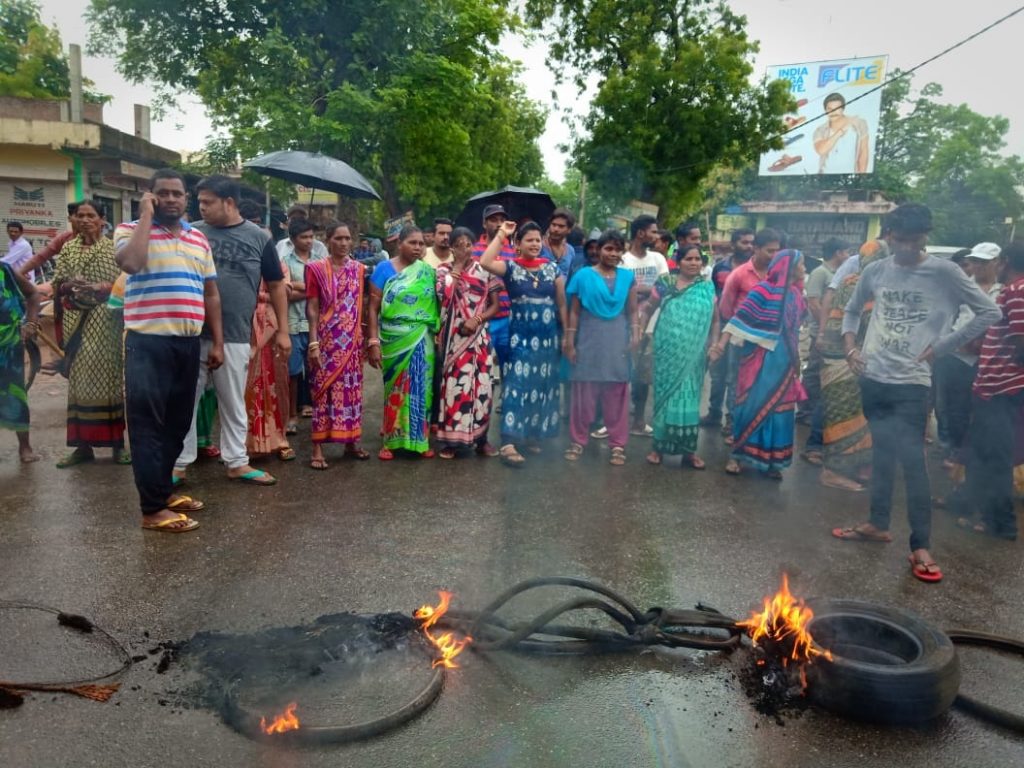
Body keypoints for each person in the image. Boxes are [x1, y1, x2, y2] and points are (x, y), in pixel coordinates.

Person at [833, 203, 1001, 583]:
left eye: (917, 240)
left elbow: (989, 312)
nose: (908, 248)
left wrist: (941, 347)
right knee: (880, 452)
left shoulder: (945, 271)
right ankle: (877, 524)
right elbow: (852, 311)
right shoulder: (876, 269)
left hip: (912, 382)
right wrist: (850, 348)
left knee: (913, 463)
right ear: (889, 235)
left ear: (926, 236)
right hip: (873, 376)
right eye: (901, 240)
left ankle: (920, 545)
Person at [115, 168, 223, 533]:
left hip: (187, 342)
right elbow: (130, 263)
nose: (172, 199)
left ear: (186, 198)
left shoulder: (198, 240)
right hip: (147, 342)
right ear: (151, 196)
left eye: (178, 193)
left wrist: (218, 341)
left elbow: (210, 292)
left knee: (177, 424)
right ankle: (151, 510)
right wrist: (145, 215)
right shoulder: (130, 231)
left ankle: (162, 492)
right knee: (148, 426)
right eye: (163, 193)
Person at [175, 175, 290, 487]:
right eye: (199, 202)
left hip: (237, 334)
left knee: (233, 400)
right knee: (186, 400)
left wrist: (282, 330)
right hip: (190, 332)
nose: (201, 207)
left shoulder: (259, 237)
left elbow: (277, 284)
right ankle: (178, 464)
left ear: (229, 202)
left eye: (207, 202)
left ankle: (237, 462)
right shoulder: (191, 233)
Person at [710, 248, 807, 479]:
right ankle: (737, 456)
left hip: (784, 362)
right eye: (802, 264)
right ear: (789, 267)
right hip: (758, 360)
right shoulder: (763, 290)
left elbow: (794, 329)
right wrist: (720, 346)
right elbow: (738, 319)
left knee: (780, 410)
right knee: (750, 405)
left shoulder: (795, 295)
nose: (805, 269)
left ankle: (773, 461)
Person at [479, 219, 567, 466]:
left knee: (540, 387)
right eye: (529, 240)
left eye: (538, 240)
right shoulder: (510, 267)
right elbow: (485, 262)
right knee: (517, 385)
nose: (535, 244)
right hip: (520, 338)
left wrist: (567, 336)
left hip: (548, 338)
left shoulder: (552, 269)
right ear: (518, 244)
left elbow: (561, 303)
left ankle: (530, 436)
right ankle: (508, 442)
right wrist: (501, 235)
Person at [51, 201, 128, 468]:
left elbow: (125, 282)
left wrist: (104, 286)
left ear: (102, 219)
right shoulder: (68, 248)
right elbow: (57, 283)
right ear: (72, 218)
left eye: (90, 215)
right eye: (79, 215)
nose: (84, 220)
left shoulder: (114, 248)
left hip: (107, 320)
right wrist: (70, 285)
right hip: (77, 322)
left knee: (109, 381)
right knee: (78, 383)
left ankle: (118, 446)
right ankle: (82, 447)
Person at [959, 241, 1024, 540]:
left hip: (1003, 388)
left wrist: (1006, 372)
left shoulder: (1017, 291)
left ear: (1005, 262)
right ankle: (981, 511)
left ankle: (1002, 524)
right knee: (983, 453)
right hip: (995, 387)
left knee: (996, 458)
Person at [816, 238, 887, 492]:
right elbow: (857, 323)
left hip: (852, 361)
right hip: (842, 361)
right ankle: (831, 472)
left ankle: (856, 467)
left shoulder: (860, 283)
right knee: (841, 419)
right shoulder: (859, 285)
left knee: (858, 419)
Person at [563, 229, 637, 465]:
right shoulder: (583, 276)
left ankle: (617, 444)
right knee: (584, 392)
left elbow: (633, 310)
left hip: (617, 339)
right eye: (608, 248)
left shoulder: (627, 277)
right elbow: (574, 311)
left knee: (616, 392)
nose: (613, 254)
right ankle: (577, 440)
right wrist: (570, 341)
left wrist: (635, 334)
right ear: (599, 250)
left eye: (618, 249)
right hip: (589, 339)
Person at [642, 243, 718, 469]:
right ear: (679, 261)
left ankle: (689, 452)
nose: (694, 263)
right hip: (667, 349)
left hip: (694, 352)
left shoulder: (706, 287)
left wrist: (714, 344)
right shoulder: (665, 283)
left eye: (697, 259)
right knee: (664, 396)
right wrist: (639, 333)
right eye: (689, 259)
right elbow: (648, 308)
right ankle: (658, 449)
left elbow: (715, 320)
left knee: (691, 398)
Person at [367, 225, 439, 459]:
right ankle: (390, 441)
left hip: (422, 337)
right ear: (400, 243)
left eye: (421, 243)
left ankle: (420, 440)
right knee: (394, 388)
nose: (418, 247)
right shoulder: (383, 269)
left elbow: (435, 306)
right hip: (393, 337)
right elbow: (373, 307)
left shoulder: (428, 272)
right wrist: (373, 341)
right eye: (413, 243)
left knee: (421, 387)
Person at [306, 221, 370, 468]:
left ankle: (351, 441)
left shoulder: (359, 269)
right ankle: (317, 448)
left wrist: (365, 338)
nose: (343, 243)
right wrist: (313, 342)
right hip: (326, 339)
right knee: (323, 389)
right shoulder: (316, 269)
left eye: (347, 239)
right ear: (328, 240)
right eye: (338, 239)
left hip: (352, 340)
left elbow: (360, 305)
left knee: (351, 391)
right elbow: (312, 307)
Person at [935, 242, 1003, 473]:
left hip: (988, 358)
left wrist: (980, 343)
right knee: (951, 407)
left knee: (981, 409)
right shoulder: (960, 287)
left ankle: (974, 454)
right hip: (955, 355)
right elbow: (945, 318)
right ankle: (954, 451)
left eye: (983, 262)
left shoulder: (1004, 290)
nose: (977, 266)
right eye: (975, 261)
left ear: (997, 263)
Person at [435, 226, 501, 458]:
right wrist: (458, 267)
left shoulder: (485, 269)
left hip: (479, 336)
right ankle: (451, 441)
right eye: (460, 244)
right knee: (454, 386)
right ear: (451, 247)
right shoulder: (443, 271)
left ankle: (481, 439)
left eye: (469, 244)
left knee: (482, 386)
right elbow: (443, 297)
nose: (465, 248)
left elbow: (496, 305)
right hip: (454, 337)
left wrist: (477, 319)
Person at [717, 229, 782, 443]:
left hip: (770, 341)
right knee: (736, 381)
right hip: (741, 338)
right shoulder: (739, 274)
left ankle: (755, 425)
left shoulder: (782, 275)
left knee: (764, 383)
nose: (774, 255)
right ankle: (734, 422)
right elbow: (726, 308)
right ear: (756, 249)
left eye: (777, 251)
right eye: (769, 250)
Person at [800, 238, 850, 463]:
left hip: (835, 337)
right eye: (846, 251)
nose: (848, 255)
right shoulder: (821, 272)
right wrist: (826, 329)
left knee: (818, 373)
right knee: (813, 373)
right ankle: (806, 411)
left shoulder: (842, 273)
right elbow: (813, 302)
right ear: (838, 252)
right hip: (821, 334)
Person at [620, 215, 669, 437]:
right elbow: (619, 290)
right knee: (620, 373)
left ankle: (639, 421)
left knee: (643, 376)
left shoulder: (658, 259)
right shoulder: (622, 260)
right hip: (624, 324)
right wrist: (649, 290)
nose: (656, 236)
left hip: (652, 326)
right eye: (653, 232)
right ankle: (616, 420)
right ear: (640, 233)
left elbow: (666, 287)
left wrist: (636, 290)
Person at [703, 228, 754, 428]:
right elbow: (714, 296)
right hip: (721, 323)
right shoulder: (720, 267)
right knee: (717, 372)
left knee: (735, 375)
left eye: (751, 242)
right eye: (744, 242)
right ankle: (713, 413)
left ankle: (731, 420)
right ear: (733, 245)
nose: (749, 246)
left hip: (742, 328)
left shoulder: (755, 269)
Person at [280, 218, 324, 431]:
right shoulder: (285, 260)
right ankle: (291, 416)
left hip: (317, 324)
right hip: (293, 323)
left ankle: (318, 412)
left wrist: (299, 288)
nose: (309, 241)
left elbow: (328, 288)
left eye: (311, 237)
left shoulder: (320, 258)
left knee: (316, 370)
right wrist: (312, 289)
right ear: (293, 239)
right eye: (303, 237)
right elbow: (283, 291)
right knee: (293, 373)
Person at [245, 277, 294, 461]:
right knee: (246, 385)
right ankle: (244, 443)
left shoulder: (278, 267)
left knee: (278, 384)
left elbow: (286, 291)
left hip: (273, 328)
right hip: (246, 325)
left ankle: (279, 439)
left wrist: (260, 296)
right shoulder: (246, 260)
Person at [0, 257, 42, 462]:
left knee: (15, 394)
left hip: (7, 349)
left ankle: (24, 447)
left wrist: (31, 324)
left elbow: (33, 294)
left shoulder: (5, 271)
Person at [473, 204, 517, 371]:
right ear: (484, 224)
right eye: (493, 220)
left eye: (502, 220)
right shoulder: (475, 250)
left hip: (507, 318)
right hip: (483, 319)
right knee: (483, 368)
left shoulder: (512, 250)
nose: (498, 224)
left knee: (509, 367)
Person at [17, 203, 80, 282]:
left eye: (88, 216)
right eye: (78, 216)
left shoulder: (93, 240)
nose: (83, 220)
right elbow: (41, 256)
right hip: (65, 284)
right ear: (69, 218)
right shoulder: (64, 238)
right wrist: (21, 272)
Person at [813, 92, 870, 174]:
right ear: (825, 110)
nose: (833, 112)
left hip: (850, 178)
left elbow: (863, 151)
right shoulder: (820, 130)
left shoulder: (859, 123)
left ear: (843, 109)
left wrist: (862, 178)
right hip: (824, 179)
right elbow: (821, 150)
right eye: (829, 109)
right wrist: (840, 131)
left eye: (837, 109)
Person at [541, 208, 576, 276]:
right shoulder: (539, 247)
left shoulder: (570, 251)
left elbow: (570, 277)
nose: (556, 229)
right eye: (553, 225)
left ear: (569, 229)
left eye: (561, 226)